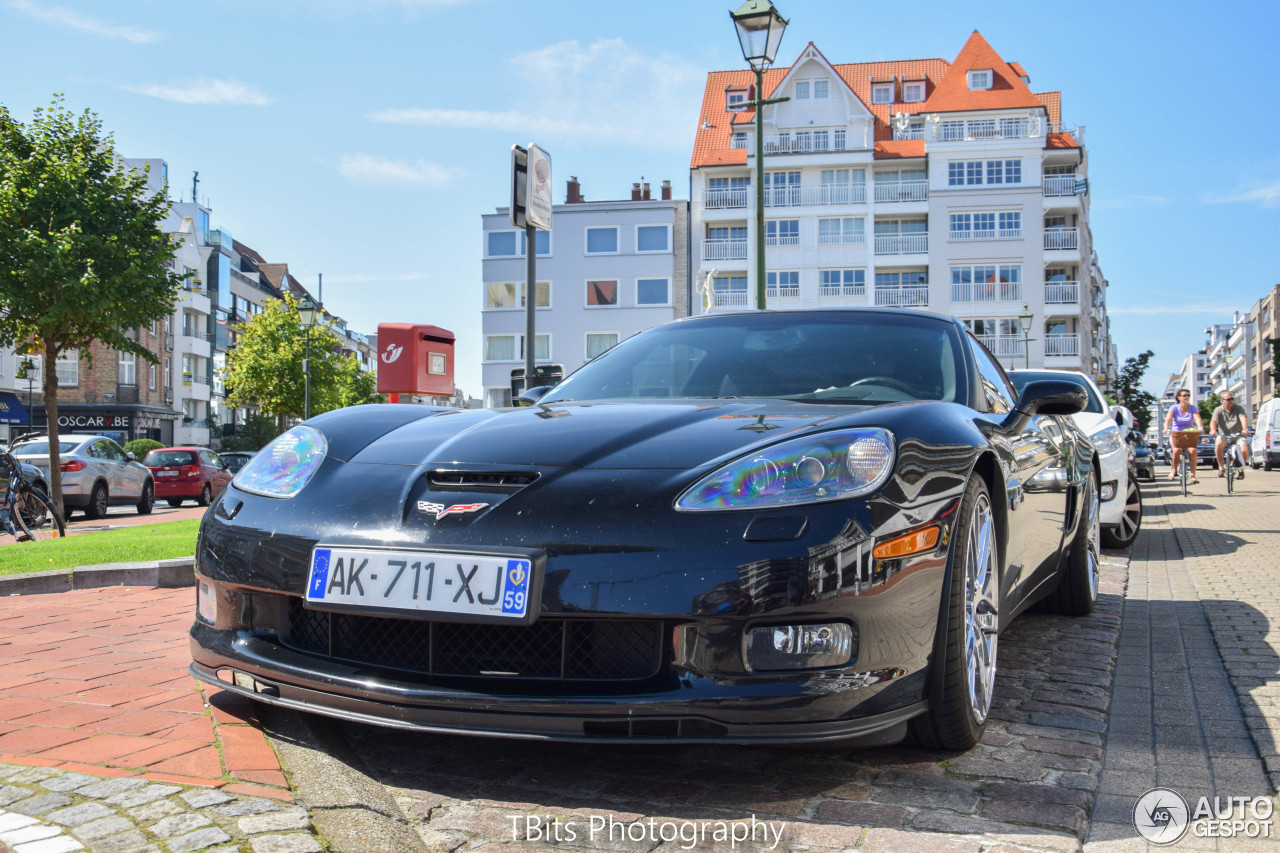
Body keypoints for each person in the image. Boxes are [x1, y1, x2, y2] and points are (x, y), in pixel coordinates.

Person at [1164, 389, 1203, 484]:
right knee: (1177, 450)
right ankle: (1174, 470)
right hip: (1176, 433)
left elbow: (1197, 418)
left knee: (1192, 450)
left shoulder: (1192, 408)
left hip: (1189, 433)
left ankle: (1193, 475)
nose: (1187, 397)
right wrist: (1165, 428)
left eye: (1188, 395)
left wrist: (1200, 427)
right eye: (1184, 395)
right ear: (1179, 397)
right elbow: (1168, 419)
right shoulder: (1174, 408)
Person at [1210, 392, 1251, 478]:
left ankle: (1241, 469)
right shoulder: (1218, 410)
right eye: (1228, 399)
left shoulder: (1239, 408)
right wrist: (1213, 430)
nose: (1231, 401)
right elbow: (1214, 421)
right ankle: (1221, 468)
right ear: (1222, 401)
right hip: (1224, 436)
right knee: (1218, 444)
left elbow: (1243, 418)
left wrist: (1245, 429)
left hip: (1238, 435)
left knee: (1243, 449)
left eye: (1232, 399)